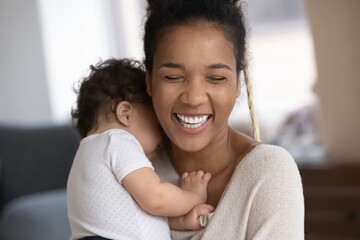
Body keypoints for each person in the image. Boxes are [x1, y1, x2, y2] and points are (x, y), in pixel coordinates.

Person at [143, 0, 304, 239]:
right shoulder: (131, 168)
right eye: (173, 77)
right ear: (148, 82)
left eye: (216, 78)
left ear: (238, 84)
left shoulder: (268, 173)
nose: (194, 98)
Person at [67, 58, 215, 240]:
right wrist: (193, 195)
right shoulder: (117, 140)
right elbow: (156, 198)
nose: (162, 140)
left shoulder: (88, 154)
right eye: (157, 126)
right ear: (125, 114)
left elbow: (130, 217)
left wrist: (181, 221)